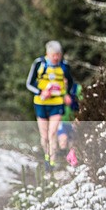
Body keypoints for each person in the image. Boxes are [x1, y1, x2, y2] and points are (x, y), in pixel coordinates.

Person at [25, 40, 76, 171]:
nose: (56, 57)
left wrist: (67, 94)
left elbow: (70, 82)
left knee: (52, 133)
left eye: (58, 55)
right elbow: (29, 83)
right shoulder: (39, 64)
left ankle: (52, 163)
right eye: (54, 55)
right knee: (45, 135)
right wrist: (41, 91)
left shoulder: (64, 66)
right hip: (41, 103)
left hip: (57, 103)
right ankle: (47, 157)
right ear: (47, 53)